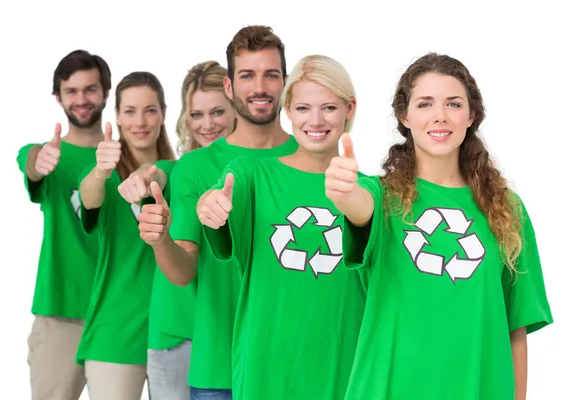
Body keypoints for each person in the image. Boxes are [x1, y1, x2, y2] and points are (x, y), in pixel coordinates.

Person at [324, 52, 553, 400]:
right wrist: (346, 193)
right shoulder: (381, 196)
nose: (440, 116)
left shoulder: (507, 209)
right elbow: (359, 208)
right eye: (425, 104)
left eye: (454, 104)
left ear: (471, 115)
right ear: (405, 115)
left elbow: (515, 327)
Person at [136, 25, 298, 400]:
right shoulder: (194, 168)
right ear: (230, 86)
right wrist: (161, 241)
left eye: (271, 75)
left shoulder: (312, 160)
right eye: (247, 75)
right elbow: (183, 271)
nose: (260, 86)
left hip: (293, 364)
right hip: (219, 369)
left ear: (285, 84)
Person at [196, 54, 366, 400]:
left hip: (342, 374)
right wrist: (210, 206)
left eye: (329, 108)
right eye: (303, 108)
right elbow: (221, 196)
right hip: (266, 374)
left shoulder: (368, 192)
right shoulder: (252, 175)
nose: (315, 120)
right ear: (287, 109)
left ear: (349, 109)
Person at [117, 60, 236, 400]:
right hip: (175, 333)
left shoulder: (253, 169)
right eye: (197, 115)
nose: (207, 124)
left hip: (226, 331)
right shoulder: (178, 168)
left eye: (217, 112)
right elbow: (155, 172)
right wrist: (141, 179)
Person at [16, 49, 111, 400]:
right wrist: (38, 162)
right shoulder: (47, 155)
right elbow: (30, 162)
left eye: (90, 89)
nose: (82, 99)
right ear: (58, 97)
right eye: (72, 91)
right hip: (60, 314)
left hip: (119, 313)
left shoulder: (126, 156)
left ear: (105, 92)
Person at [76, 71, 176, 400]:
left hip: (173, 332)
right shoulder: (99, 177)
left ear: (163, 112)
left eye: (150, 110)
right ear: (116, 116)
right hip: (114, 336)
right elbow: (88, 198)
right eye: (130, 111)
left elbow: (162, 173)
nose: (140, 121)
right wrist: (102, 171)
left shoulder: (181, 173)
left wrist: (153, 177)